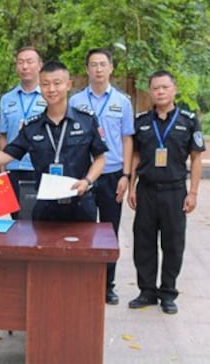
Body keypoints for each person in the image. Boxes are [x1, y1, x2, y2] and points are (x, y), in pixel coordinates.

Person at [0, 61, 107, 222]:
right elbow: (4, 156)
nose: (51, 89)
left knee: (83, 247)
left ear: (68, 85)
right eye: (45, 84)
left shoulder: (87, 120)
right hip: (46, 206)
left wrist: (87, 181)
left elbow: (100, 158)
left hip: (81, 203)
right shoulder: (32, 126)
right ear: (40, 86)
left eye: (57, 83)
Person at [127, 70, 205, 315]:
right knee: (144, 242)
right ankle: (147, 291)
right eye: (155, 88)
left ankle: (168, 293)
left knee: (173, 244)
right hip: (147, 190)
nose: (160, 92)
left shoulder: (188, 121)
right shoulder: (141, 121)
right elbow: (136, 155)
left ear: (174, 89)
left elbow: (196, 158)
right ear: (150, 91)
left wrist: (193, 192)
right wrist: (131, 186)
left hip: (174, 191)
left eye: (164, 87)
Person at [68, 48, 134, 305]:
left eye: (102, 64)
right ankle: (83, 281)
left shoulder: (122, 102)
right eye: (93, 64)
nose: (98, 69)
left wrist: (126, 175)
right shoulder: (75, 102)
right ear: (86, 69)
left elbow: (127, 139)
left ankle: (108, 285)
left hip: (113, 174)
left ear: (111, 68)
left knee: (109, 231)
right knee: (82, 230)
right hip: (83, 175)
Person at [0, 46, 47, 218]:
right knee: (14, 220)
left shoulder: (49, 97)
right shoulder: (6, 99)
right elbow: (3, 136)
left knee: (40, 219)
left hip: (40, 167)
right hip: (12, 167)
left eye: (29, 62)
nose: (25, 66)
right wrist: (2, 169)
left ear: (40, 65)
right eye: (20, 62)